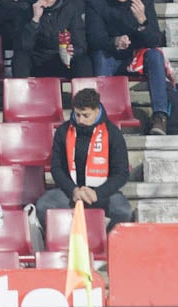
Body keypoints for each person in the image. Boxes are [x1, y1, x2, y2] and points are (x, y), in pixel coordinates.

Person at [86, 0, 173, 135]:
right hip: (109, 54)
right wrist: (115, 42)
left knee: (155, 55)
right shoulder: (96, 1)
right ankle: (104, 115)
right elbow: (93, 38)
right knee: (100, 56)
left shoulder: (144, 1)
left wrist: (143, 22)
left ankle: (160, 116)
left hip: (135, 57)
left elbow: (154, 40)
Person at [44, 88, 135, 231]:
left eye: (86, 115)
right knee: (44, 206)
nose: (80, 120)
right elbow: (56, 168)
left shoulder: (113, 133)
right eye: (77, 114)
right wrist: (72, 190)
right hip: (71, 192)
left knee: (122, 211)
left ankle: (105, 245)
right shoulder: (63, 131)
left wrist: (98, 193)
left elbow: (121, 173)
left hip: (102, 193)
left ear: (97, 111)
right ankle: (61, 242)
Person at [11, 0, 91, 79]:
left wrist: (74, 50)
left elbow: (81, 44)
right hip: (37, 59)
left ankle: (85, 95)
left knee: (83, 61)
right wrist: (35, 20)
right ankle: (20, 95)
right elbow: (22, 46)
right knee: (20, 57)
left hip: (61, 58)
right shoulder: (26, 8)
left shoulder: (71, 8)